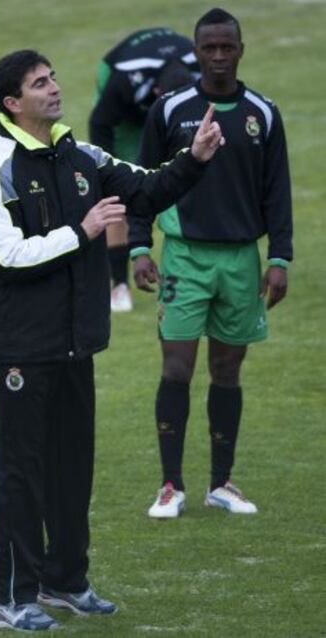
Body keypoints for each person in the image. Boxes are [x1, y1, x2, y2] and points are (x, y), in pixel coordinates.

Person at [0, 49, 223, 631]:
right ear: (12, 102)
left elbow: (146, 190)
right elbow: (8, 256)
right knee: (20, 474)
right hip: (19, 349)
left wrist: (196, 159)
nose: (54, 88)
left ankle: (65, 581)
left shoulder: (81, 154)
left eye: (53, 77)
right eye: (39, 83)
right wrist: (80, 233)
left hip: (74, 343)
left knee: (72, 468)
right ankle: (10, 598)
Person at [129, 8, 293, 519]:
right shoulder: (170, 109)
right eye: (210, 48)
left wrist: (279, 257)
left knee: (227, 370)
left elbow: (277, 191)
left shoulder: (262, 113)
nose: (219, 56)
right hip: (184, 257)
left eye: (227, 47)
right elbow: (143, 182)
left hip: (242, 260)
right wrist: (138, 246)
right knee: (177, 367)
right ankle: (170, 486)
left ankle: (221, 483)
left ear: (240, 50)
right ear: (196, 52)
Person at [89, 28, 200, 312]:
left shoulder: (203, 68)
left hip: (154, 100)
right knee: (119, 194)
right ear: (156, 92)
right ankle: (119, 286)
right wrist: (108, 174)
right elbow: (100, 124)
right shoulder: (125, 81)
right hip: (123, 116)